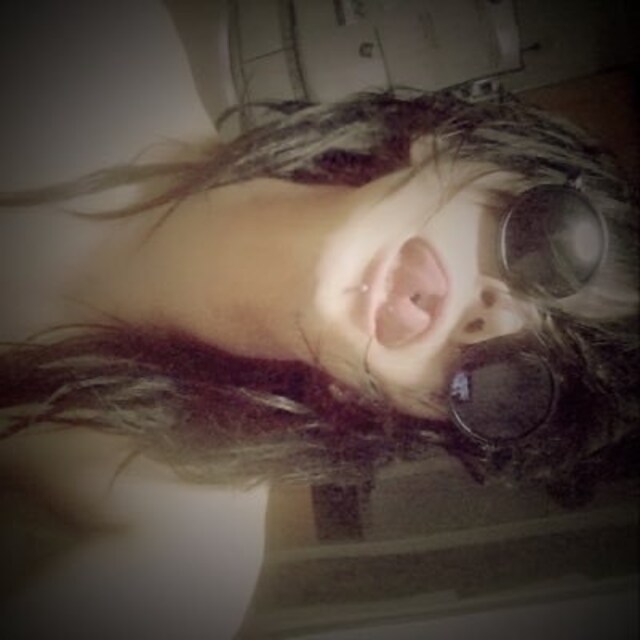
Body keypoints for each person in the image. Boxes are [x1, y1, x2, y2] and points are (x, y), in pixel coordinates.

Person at [1, 87, 638, 638]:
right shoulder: (105, 61)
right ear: (448, 146)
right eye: (541, 240)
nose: (493, 316)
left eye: (513, 386)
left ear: (412, 410)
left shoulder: (184, 569)